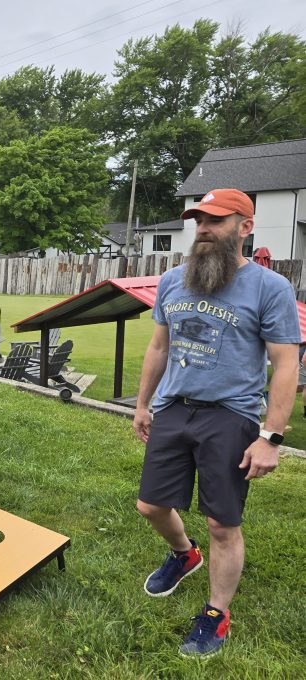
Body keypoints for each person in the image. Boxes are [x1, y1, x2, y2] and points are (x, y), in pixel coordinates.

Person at [132, 189, 300, 659]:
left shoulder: (270, 288)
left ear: (244, 228)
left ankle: (215, 613)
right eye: (198, 220)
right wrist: (143, 404)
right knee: (150, 505)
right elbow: (159, 348)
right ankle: (186, 554)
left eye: (215, 221)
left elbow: (285, 365)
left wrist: (271, 436)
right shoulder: (172, 281)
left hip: (230, 415)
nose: (203, 229)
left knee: (222, 524)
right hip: (173, 408)